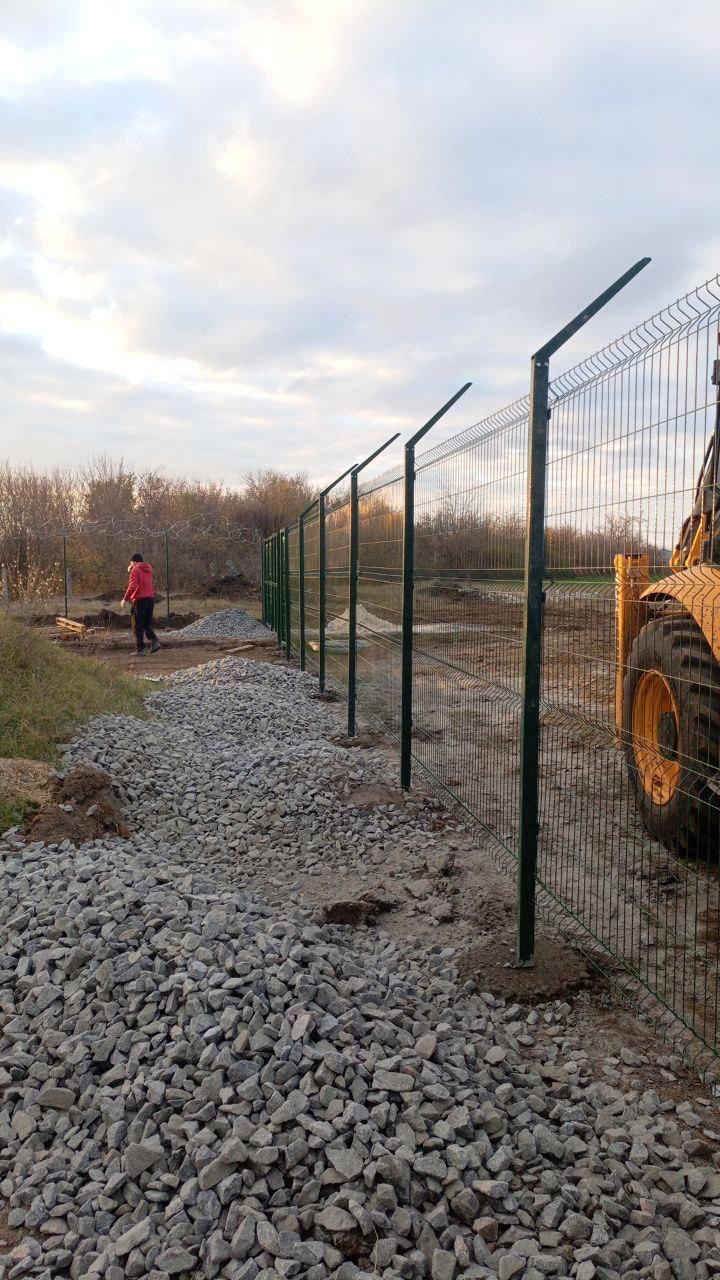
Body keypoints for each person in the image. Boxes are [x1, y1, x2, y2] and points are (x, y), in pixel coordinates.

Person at [120, 553, 161, 655]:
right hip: (150, 599)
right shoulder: (149, 568)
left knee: (137, 625)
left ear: (134, 561)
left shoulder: (135, 570)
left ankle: (140, 649)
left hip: (140, 600)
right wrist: (132, 569)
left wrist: (125, 599)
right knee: (146, 624)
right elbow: (141, 576)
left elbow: (132, 586)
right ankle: (154, 641)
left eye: (131, 562)